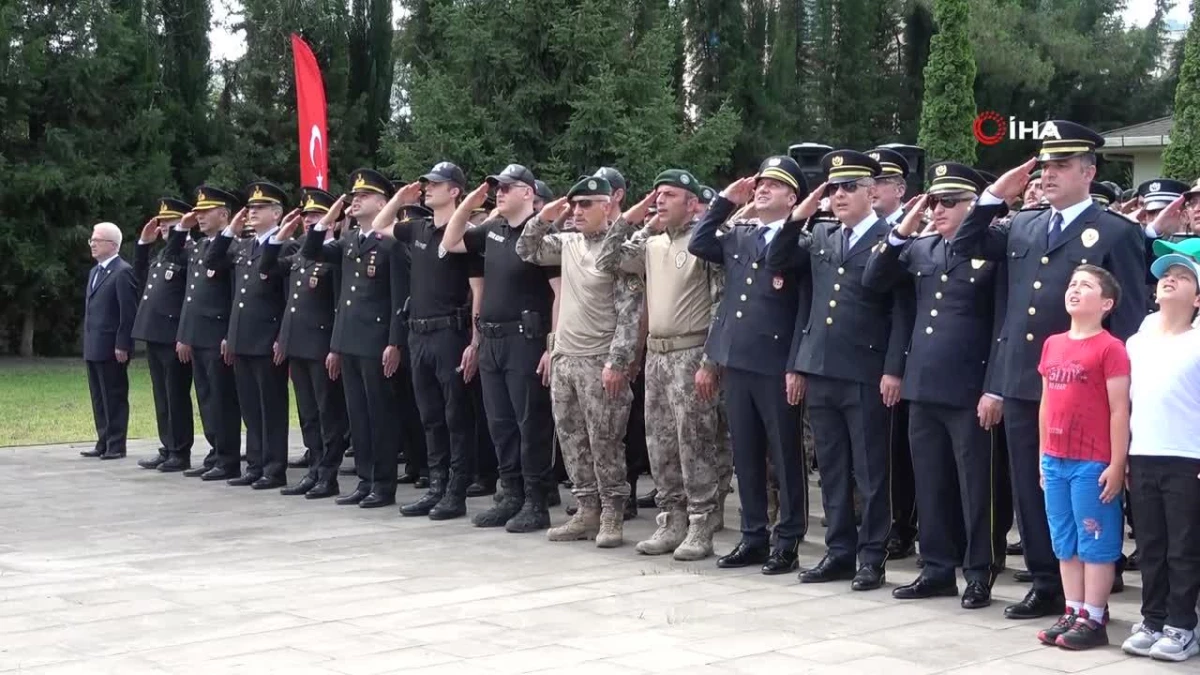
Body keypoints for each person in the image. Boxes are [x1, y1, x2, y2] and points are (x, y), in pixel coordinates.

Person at [951, 121, 1147, 620]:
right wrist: (996, 193)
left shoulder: (1114, 231)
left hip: (1086, 387)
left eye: (1062, 165)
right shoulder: (1024, 223)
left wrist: (1120, 391)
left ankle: (1093, 589)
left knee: (1087, 489)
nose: (1050, 174)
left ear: (1089, 171)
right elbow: (965, 243)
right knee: (1034, 485)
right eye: (1045, 165)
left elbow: (1126, 318)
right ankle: (1046, 581)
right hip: (1024, 378)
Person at [766, 150, 911, 590]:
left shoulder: (892, 238)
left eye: (850, 187)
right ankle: (839, 550)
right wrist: (802, 212)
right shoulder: (823, 234)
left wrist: (893, 368)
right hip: (822, 365)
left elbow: (902, 311)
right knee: (830, 466)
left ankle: (872, 556)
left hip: (866, 369)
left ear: (872, 191)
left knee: (870, 471)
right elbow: (781, 262)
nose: (841, 195)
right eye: (834, 187)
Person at [863, 162, 1000, 609]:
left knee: (977, 487)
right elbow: (875, 278)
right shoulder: (921, 248)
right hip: (922, 384)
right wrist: (905, 226)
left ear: (973, 206)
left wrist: (993, 385)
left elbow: (1003, 323)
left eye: (948, 202)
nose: (937, 210)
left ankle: (979, 572)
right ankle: (937, 568)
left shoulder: (993, 250)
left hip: (968, 385)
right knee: (931, 481)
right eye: (933, 201)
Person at [596, 168, 731, 560]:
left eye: (669, 195)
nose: (659, 200)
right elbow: (607, 258)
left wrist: (710, 362)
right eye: (657, 194)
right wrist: (632, 215)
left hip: (691, 353)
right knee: (660, 442)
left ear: (691, 203)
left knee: (695, 441)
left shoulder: (706, 245)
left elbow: (720, 304)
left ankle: (701, 522)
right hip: (656, 354)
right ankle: (672, 519)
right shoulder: (651, 244)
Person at [690, 156, 810, 575]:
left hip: (776, 364)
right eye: (759, 184)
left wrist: (797, 365)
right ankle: (753, 534)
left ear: (792, 197)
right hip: (737, 360)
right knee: (746, 454)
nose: (762, 190)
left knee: (784, 456)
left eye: (773, 186)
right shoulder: (741, 235)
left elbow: (800, 307)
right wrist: (724, 201)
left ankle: (789, 538)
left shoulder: (799, 241)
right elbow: (699, 242)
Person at [516, 176, 644, 547]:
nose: (577, 211)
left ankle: (611, 515)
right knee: (572, 440)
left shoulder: (620, 250)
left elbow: (629, 314)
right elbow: (526, 249)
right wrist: (544, 217)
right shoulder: (568, 243)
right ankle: (586, 509)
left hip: (599, 361)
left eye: (586, 204)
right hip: (566, 359)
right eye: (574, 205)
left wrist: (617, 363)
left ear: (608, 206)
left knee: (605, 442)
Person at [441, 163, 561, 533]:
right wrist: (471, 202)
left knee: (530, 423)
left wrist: (551, 346)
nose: (499, 192)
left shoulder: (543, 233)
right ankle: (509, 493)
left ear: (528, 193)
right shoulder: (492, 229)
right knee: (501, 423)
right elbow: (450, 242)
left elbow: (559, 294)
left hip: (526, 339)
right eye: (497, 188)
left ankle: (536, 500)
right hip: (492, 339)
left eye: (507, 187)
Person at [375, 162, 481, 521]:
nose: (426, 188)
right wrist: (398, 198)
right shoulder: (418, 228)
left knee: (455, 415)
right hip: (418, 332)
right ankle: (436, 487)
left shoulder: (464, 233)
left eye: (435, 184)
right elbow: (380, 227)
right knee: (430, 415)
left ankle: (456, 490)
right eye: (425, 184)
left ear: (455, 191)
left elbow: (476, 289)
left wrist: (474, 339)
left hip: (449, 332)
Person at [1032, 265, 1130, 649]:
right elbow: (1045, 404)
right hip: (1056, 459)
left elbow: (1119, 409)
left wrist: (1117, 463)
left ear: (1106, 303)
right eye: (1072, 283)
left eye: (1086, 286)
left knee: (1095, 540)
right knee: (1065, 541)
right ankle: (1073, 609)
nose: (1074, 290)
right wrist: (1043, 454)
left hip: (1093, 461)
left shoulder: (1110, 348)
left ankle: (1094, 614)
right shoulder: (1053, 343)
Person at [302, 169, 410, 508]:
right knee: (358, 415)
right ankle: (365, 479)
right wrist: (330, 216)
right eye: (354, 195)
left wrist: (395, 342)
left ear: (382, 202)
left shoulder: (391, 243)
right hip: (349, 341)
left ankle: (383, 484)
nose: (356, 199)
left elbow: (399, 298)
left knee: (379, 415)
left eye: (364, 195)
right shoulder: (349, 241)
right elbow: (311, 252)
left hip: (376, 343)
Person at [1121, 241, 1200, 662]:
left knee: (1183, 547)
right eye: (1166, 275)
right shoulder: (1140, 338)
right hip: (1144, 454)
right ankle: (1153, 619)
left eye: (1184, 276)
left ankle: (1182, 625)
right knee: (1150, 543)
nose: (1170, 279)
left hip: (1188, 458)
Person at [208, 182, 296, 490]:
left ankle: (274, 468)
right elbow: (214, 262)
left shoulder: (286, 246)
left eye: (259, 208)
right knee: (249, 406)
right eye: (250, 208)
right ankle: (256, 463)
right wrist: (229, 231)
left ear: (277, 213)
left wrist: (282, 338)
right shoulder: (243, 246)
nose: (252, 212)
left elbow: (288, 300)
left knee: (270, 407)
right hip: (243, 338)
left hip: (267, 338)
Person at [265, 187, 349, 498]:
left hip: (321, 343)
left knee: (328, 413)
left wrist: (335, 347)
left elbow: (340, 303)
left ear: (331, 218)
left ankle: (328, 474)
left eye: (317, 215)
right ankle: (314, 468)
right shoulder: (300, 250)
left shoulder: (337, 252)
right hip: (297, 342)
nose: (309, 221)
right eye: (307, 216)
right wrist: (279, 237)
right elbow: (268, 269)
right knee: (307, 412)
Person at [868, 146, 919, 561]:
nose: (871, 188)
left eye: (879, 180)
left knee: (899, 450)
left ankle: (903, 524)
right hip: (858, 355)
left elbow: (904, 307)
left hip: (894, 354)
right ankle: (873, 521)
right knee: (873, 451)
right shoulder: (856, 228)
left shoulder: (910, 233)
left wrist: (895, 364)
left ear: (900, 189)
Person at [176, 187, 243, 481]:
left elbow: (233, 296)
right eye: (198, 212)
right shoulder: (200, 247)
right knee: (205, 396)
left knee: (222, 399)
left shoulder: (233, 247)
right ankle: (215, 451)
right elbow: (190, 295)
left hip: (218, 334)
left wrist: (231, 334)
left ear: (224, 215)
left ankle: (228, 457)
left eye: (206, 212)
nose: (200, 217)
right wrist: (184, 334)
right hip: (198, 333)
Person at [132, 198, 195, 471]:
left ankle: (180, 450)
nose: (165, 227)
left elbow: (191, 299)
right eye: (163, 223)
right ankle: (167, 445)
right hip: (154, 333)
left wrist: (185, 335)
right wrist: (143, 246)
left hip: (174, 334)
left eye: (171, 222)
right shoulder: (163, 255)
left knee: (176, 394)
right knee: (161, 394)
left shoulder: (189, 252)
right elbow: (139, 278)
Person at [80, 221, 138, 461]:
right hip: (94, 344)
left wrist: (123, 344)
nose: (92, 243)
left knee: (113, 395)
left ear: (112, 245)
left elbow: (128, 311)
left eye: (97, 240)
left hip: (112, 347)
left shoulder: (123, 272)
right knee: (98, 396)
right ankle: (103, 440)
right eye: (91, 239)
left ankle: (116, 444)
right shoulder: (95, 272)